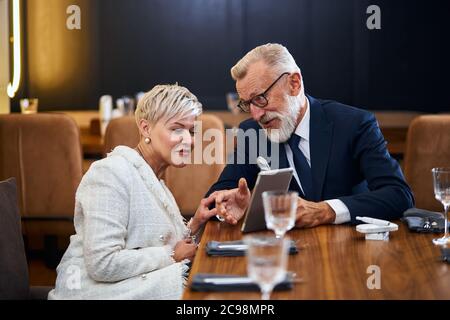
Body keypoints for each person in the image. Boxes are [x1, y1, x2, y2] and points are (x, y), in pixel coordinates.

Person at [208, 43, 414, 227]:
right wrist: (226, 204)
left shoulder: (354, 124)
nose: (256, 114)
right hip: (286, 254)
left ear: (294, 83)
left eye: (261, 98)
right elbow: (217, 197)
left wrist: (326, 211)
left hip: (349, 253)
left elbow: (399, 195)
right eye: (247, 104)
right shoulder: (252, 132)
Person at [48, 84, 219, 299]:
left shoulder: (154, 180)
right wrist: (171, 255)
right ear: (146, 128)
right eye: (177, 129)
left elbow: (154, 241)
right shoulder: (109, 173)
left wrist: (196, 223)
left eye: (192, 131)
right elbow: (103, 263)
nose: (189, 140)